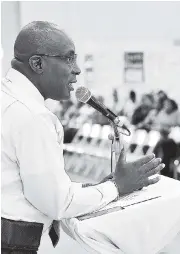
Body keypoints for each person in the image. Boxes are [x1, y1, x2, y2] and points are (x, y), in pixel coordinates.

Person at [1, 21, 164, 253]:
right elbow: (58, 202)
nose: (77, 70)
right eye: (68, 59)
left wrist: (96, 188)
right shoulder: (32, 117)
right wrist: (117, 187)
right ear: (38, 63)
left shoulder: (7, 98)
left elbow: (27, 184)